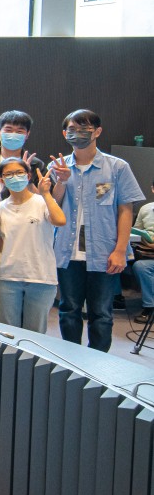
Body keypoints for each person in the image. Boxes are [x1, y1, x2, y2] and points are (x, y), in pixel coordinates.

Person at [49, 109, 146, 352]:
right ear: (64, 133)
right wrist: (60, 181)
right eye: (72, 129)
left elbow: (126, 210)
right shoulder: (57, 166)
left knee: (101, 314)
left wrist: (121, 250)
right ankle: (71, 362)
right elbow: (53, 206)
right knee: (68, 309)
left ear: (97, 131)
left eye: (84, 129)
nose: (77, 134)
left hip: (103, 252)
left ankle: (98, 366)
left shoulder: (117, 167)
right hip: (67, 252)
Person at [0, 158, 66, 333]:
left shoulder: (41, 202)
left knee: (35, 333)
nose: (14, 177)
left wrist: (46, 194)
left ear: (28, 175)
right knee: (8, 333)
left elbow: (60, 220)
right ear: (1, 180)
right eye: (8, 174)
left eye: (19, 173)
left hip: (41, 278)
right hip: (7, 277)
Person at [0, 110, 46, 187]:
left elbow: (46, 196)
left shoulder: (36, 165)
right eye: (8, 130)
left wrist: (27, 178)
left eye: (19, 131)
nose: (13, 134)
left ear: (27, 135)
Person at [132, 179, 154, 324]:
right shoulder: (146, 209)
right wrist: (143, 239)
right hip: (148, 253)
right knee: (140, 266)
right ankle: (150, 308)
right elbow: (135, 233)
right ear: (152, 189)